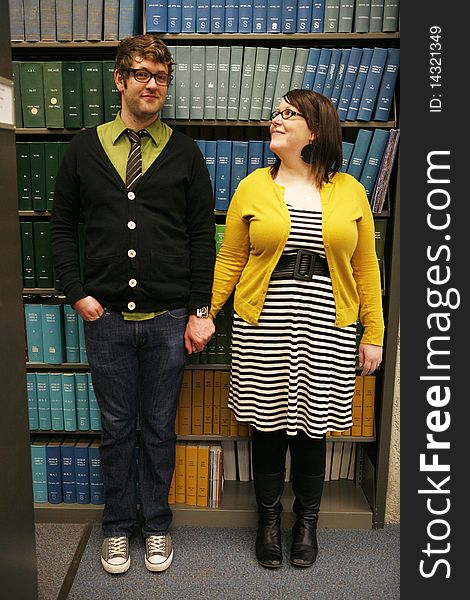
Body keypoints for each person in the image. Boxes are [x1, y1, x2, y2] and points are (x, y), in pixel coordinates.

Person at [50, 35, 215, 575]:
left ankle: (158, 526)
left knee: (160, 428)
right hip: (107, 321)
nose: (151, 84)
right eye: (141, 74)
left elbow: (199, 237)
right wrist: (76, 293)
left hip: (170, 321)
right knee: (118, 428)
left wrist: (198, 308)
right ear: (119, 80)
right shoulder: (83, 148)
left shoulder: (185, 152)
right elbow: (60, 230)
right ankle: (118, 526)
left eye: (160, 77)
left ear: (167, 85)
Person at [209, 89, 384, 569]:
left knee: (314, 428)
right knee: (267, 426)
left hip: (328, 321)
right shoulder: (251, 187)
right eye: (276, 113)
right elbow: (231, 257)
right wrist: (207, 311)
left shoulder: (351, 190)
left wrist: (374, 333)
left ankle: (306, 524)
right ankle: (267, 523)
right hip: (263, 320)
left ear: (316, 129)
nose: (276, 120)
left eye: (289, 114)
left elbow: (367, 267)